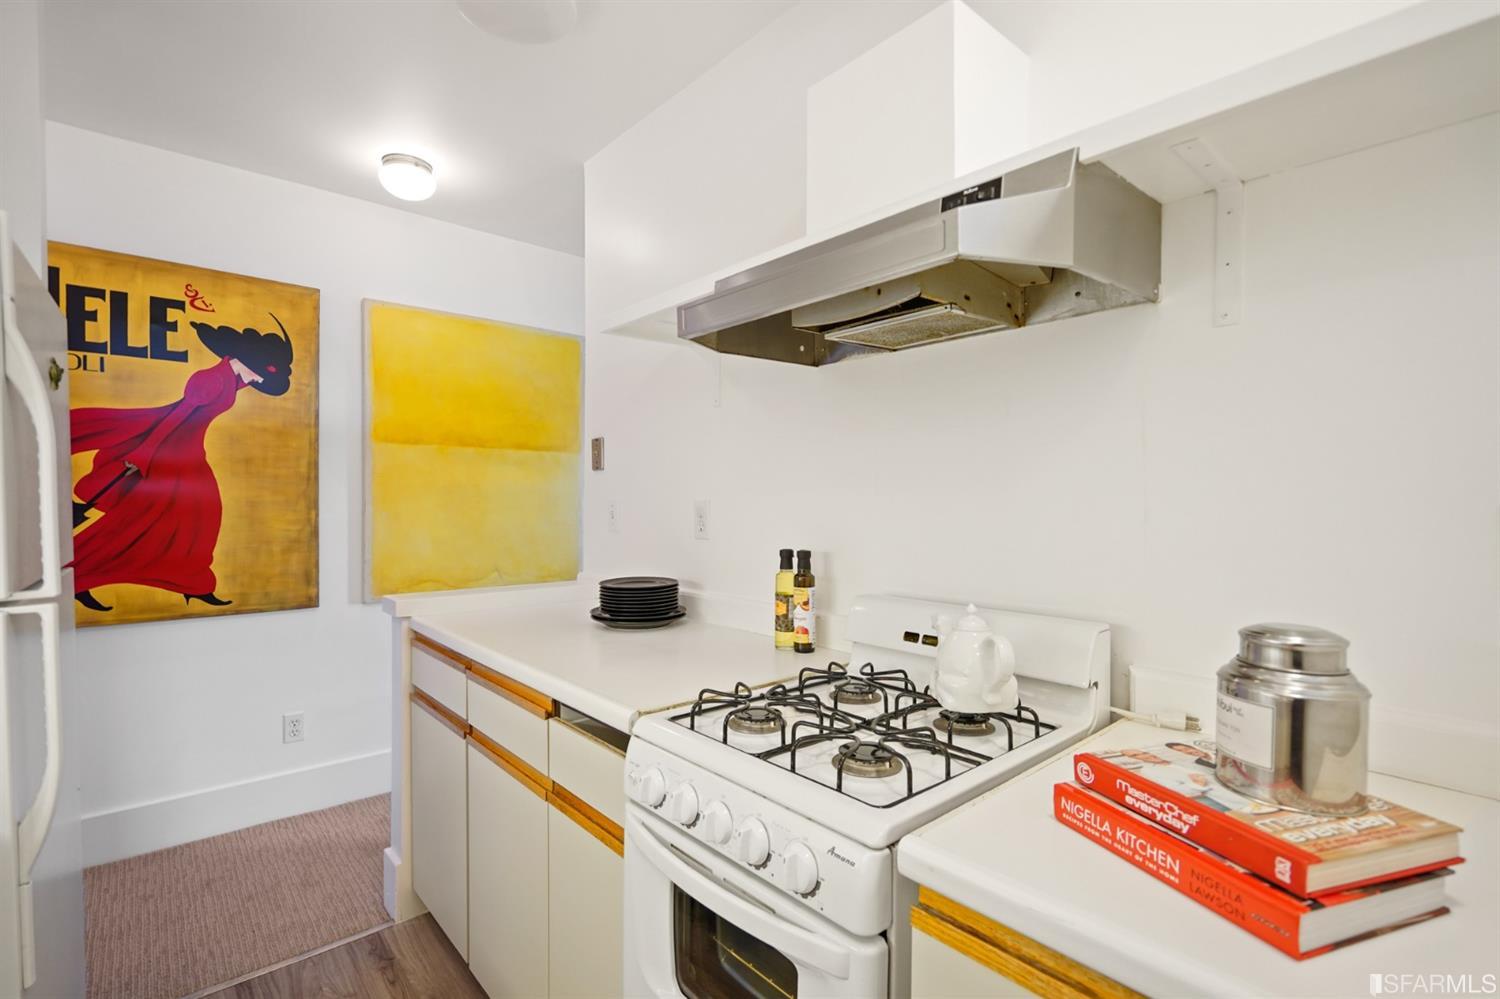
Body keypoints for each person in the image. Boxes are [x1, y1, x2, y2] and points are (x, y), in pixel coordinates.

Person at [69, 315, 294, 611]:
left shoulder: (232, 377)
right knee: (146, 518)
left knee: (201, 516)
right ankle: (79, 576)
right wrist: (143, 457)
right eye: (257, 374)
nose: (257, 381)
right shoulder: (209, 380)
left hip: (187, 450)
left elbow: (234, 388)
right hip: (169, 449)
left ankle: (192, 581)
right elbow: (172, 421)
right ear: (241, 359)